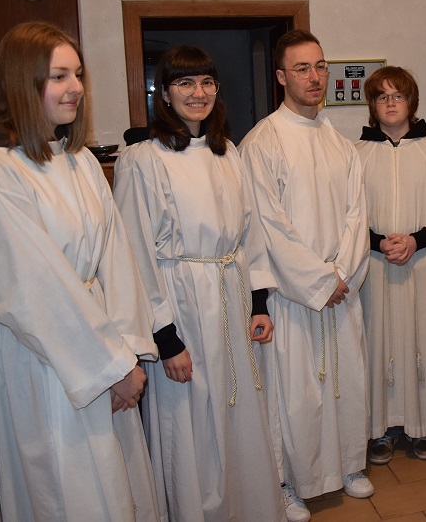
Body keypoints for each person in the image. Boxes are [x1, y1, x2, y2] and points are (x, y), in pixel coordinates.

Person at [0, 21, 160, 520]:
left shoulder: (79, 160)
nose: (76, 88)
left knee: (118, 486)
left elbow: (116, 258)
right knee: (69, 489)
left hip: (103, 345)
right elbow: (30, 287)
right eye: (58, 77)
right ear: (21, 81)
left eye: (78, 74)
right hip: (49, 356)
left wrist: (128, 351)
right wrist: (110, 368)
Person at [112, 46, 285, 521]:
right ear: (164, 93)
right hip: (181, 303)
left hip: (231, 296)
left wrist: (259, 303)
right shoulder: (142, 159)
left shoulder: (227, 152)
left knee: (239, 411)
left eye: (207, 82)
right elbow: (134, 254)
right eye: (185, 83)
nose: (198, 92)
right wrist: (165, 339)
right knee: (190, 422)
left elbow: (250, 233)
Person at [238, 30, 371, 520]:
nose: (315, 77)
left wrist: (342, 273)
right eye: (301, 69)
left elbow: (358, 214)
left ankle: (349, 465)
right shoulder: (262, 142)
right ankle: (289, 482)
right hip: (293, 297)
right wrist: (319, 280)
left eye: (319, 66)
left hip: (341, 288)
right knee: (296, 394)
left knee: (346, 381)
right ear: (280, 77)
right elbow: (267, 226)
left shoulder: (340, 143)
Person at [355, 67, 426, 465]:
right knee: (377, 342)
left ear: (411, 102)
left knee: (423, 338)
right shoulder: (357, 154)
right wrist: (378, 242)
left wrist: (416, 240)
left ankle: (424, 427)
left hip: (423, 263)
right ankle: (382, 429)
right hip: (375, 265)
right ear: (372, 105)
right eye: (381, 97)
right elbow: (347, 215)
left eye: (397, 96)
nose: (390, 103)